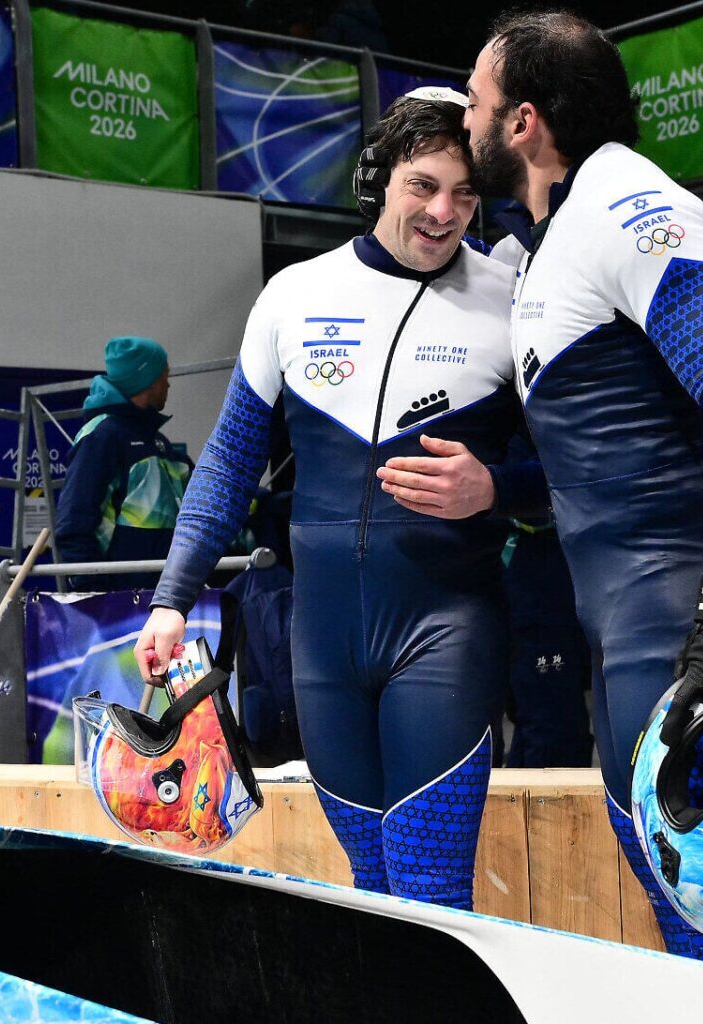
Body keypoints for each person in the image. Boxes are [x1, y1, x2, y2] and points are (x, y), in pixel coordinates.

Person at [391, 9, 703, 969]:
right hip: (629, 603)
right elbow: (599, 460)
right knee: (680, 874)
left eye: (481, 98)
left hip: (680, 596)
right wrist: (496, 488)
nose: (469, 111)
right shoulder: (547, 242)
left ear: (524, 122)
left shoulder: (624, 198)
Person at [134, 93, 546, 910]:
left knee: (432, 889)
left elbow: (581, 469)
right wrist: (173, 598)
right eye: (422, 186)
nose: (443, 213)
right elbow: (227, 462)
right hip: (322, 644)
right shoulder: (294, 295)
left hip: (445, 625)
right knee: (371, 893)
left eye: (465, 194)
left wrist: (496, 487)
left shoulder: (515, 296)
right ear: (378, 180)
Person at [53, 336, 190, 592]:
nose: (168, 383)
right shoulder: (102, 435)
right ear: (147, 380)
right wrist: (94, 592)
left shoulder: (157, 441)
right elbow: (74, 520)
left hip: (161, 593)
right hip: (120, 599)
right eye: (164, 375)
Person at [500, 435, 595, 769]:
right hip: (534, 587)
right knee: (552, 725)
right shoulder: (523, 415)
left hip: (576, 581)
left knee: (551, 722)